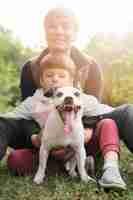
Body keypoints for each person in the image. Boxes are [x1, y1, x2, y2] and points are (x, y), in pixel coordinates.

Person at [6, 54, 126, 190]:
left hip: (79, 145)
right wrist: (33, 136)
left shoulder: (83, 98)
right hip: (49, 148)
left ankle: (109, 169)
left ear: (72, 80)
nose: (55, 79)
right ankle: (60, 167)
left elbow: (108, 111)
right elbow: (12, 116)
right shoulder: (33, 102)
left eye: (61, 76)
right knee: (15, 159)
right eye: (49, 75)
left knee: (108, 123)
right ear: (41, 80)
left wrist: (91, 130)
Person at [20, 6, 103, 101]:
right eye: (52, 27)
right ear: (45, 32)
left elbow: (96, 111)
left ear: (75, 34)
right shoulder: (30, 68)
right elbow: (27, 111)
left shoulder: (91, 66)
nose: (59, 32)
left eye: (66, 27)